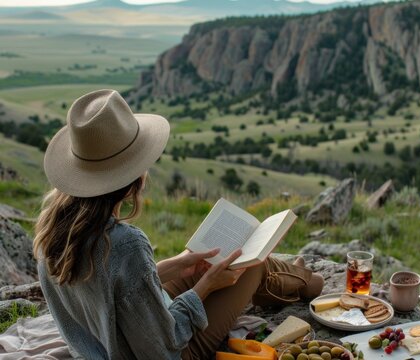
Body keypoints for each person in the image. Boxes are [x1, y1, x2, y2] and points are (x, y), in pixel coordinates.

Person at [33, 89, 324, 360]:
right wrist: (205, 287)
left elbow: (109, 292)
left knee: (222, 259)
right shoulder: (126, 244)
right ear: (133, 179)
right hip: (172, 352)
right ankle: (307, 282)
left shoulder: (51, 234)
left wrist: (177, 264)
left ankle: (295, 278)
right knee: (252, 263)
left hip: (117, 337)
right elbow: (163, 348)